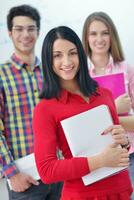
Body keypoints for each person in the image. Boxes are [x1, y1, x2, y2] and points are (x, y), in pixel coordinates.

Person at [33, 26, 133, 200]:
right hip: (83, 195)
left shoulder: (104, 95)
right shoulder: (45, 109)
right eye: (57, 55)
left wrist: (123, 141)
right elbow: (46, 171)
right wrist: (99, 161)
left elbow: (119, 149)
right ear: (48, 60)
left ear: (80, 53)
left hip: (122, 190)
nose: (67, 61)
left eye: (72, 53)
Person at [0, 4, 62, 200]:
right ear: (10, 33)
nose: (25, 34)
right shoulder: (1, 74)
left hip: (59, 173)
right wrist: (11, 173)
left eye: (31, 28)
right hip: (25, 181)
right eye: (19, 29)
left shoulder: (52, 72)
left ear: (38, 31)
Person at [82, 11, 134, 188]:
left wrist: (105, 117)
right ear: (86, 38)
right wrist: (114, 107)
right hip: (96, 159)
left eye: (105, 33)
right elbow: (82, 123)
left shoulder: (127, 69)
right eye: (93, 33)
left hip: (129, 154)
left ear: (112, 36)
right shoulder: (79, 76)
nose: (100, 39)